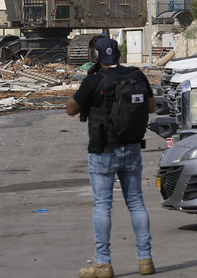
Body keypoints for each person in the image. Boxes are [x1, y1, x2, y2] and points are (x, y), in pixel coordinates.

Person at [66, 37, 155, 278]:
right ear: (117, 54)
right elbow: (151, 107)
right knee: (136, 203)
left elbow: (71, 109)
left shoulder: (93, 80)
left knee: (103, 206)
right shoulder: (136, 75)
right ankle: (145, 260)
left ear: (97, 57)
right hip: (133, 147)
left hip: (103, 151)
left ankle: (103, 264)